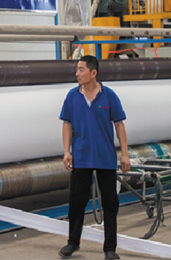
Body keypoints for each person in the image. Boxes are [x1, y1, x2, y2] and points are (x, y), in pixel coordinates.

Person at [59, 55, 130, 260]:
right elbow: (67, 124)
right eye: (77, 69)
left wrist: (125, 154)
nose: (77, 73)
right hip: (81, 156)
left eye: (81, 69)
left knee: (110, 203)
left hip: (105, 156)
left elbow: (119, 124)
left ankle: (110, 248)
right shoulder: (72, 96)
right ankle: (72, 242)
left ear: (93, 73)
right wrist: (66, 151)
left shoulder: (109, 96)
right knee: (77, 201)